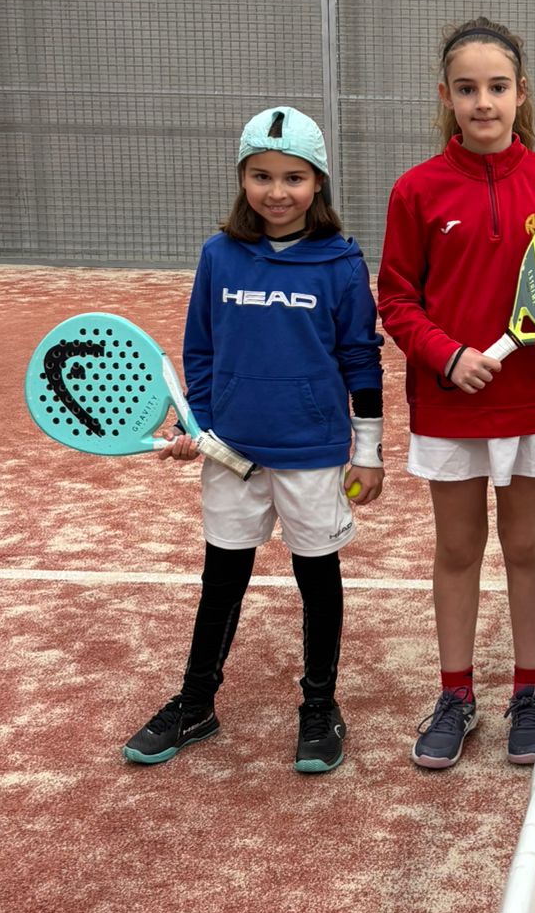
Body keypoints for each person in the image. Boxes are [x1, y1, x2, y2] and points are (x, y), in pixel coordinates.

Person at [122, 106, 385, 775]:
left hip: (312, 452)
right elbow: (201, 350)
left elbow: (361, 358)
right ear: (242, 178)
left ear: (318, 182)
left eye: (294, 177)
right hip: (232, 450)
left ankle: (320, 706)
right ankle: (195, 704)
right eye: (261, 176)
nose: (277, 191)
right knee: (222, 579)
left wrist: (369, 448)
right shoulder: (220, 255)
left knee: (317, 579)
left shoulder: (342, 262)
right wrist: (196, 425)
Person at [377, 17, 535, 772]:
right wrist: (447, 355)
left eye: (497, 87)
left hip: (532, 401)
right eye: (467, 89)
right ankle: (456, 695)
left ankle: (530, 691)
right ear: (446, 96)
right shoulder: (416, 190)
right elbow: (397, 299)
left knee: (527, 547)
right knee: (459, 549)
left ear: (521, 93)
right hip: (450, 405)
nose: (483, 102)